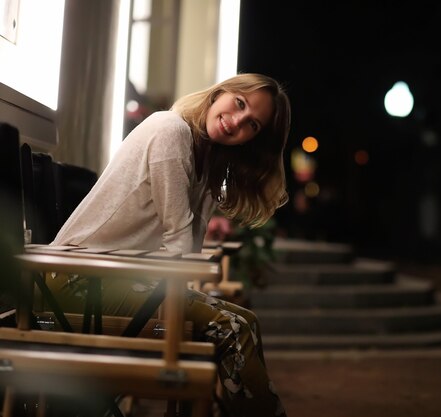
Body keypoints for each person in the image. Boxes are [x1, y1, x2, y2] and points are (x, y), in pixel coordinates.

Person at [48, 73, 290, 417]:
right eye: (239, 103)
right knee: (233, 328)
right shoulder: (170, 130)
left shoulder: (205, 160)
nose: (237, 121)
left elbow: (183, 254)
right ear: (220, 92)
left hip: (114, 281)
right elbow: (179, 247)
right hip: (73, 283)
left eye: (252, 125)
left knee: (244, 321)